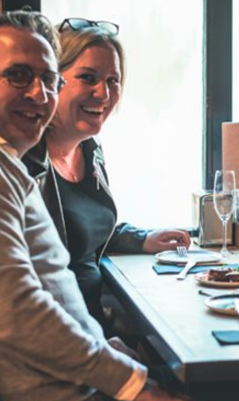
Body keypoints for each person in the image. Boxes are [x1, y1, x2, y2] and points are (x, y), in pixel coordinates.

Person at [0, 11, 182, 401]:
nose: (39, 94)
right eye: (18, 76)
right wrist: (133, 385)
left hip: (74, 374)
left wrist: (102, 349)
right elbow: (13, 310)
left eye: (49, 80)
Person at [23, 18, 190, 326]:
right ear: (53, 82)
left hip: (95, 323)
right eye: (88, 78)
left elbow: (81, 233)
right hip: (61, 336)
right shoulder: (24, 163)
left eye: (113, 80)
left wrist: (141, 239)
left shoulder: (90, 149)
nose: (104, 93)